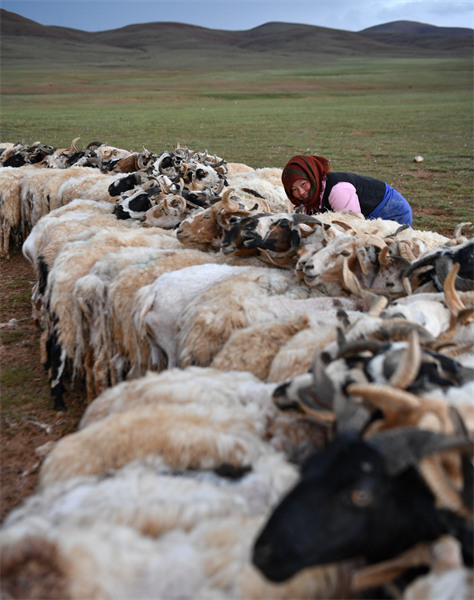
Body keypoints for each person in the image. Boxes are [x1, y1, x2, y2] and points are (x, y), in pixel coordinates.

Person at [281, 154, 412, 227]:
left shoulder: (338, 191)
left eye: (303, 183)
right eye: (294, 190)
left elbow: (353, 226)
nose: (301, 192)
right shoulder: (313, 198)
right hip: (366, 212)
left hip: (391, 211)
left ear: (312, 176)